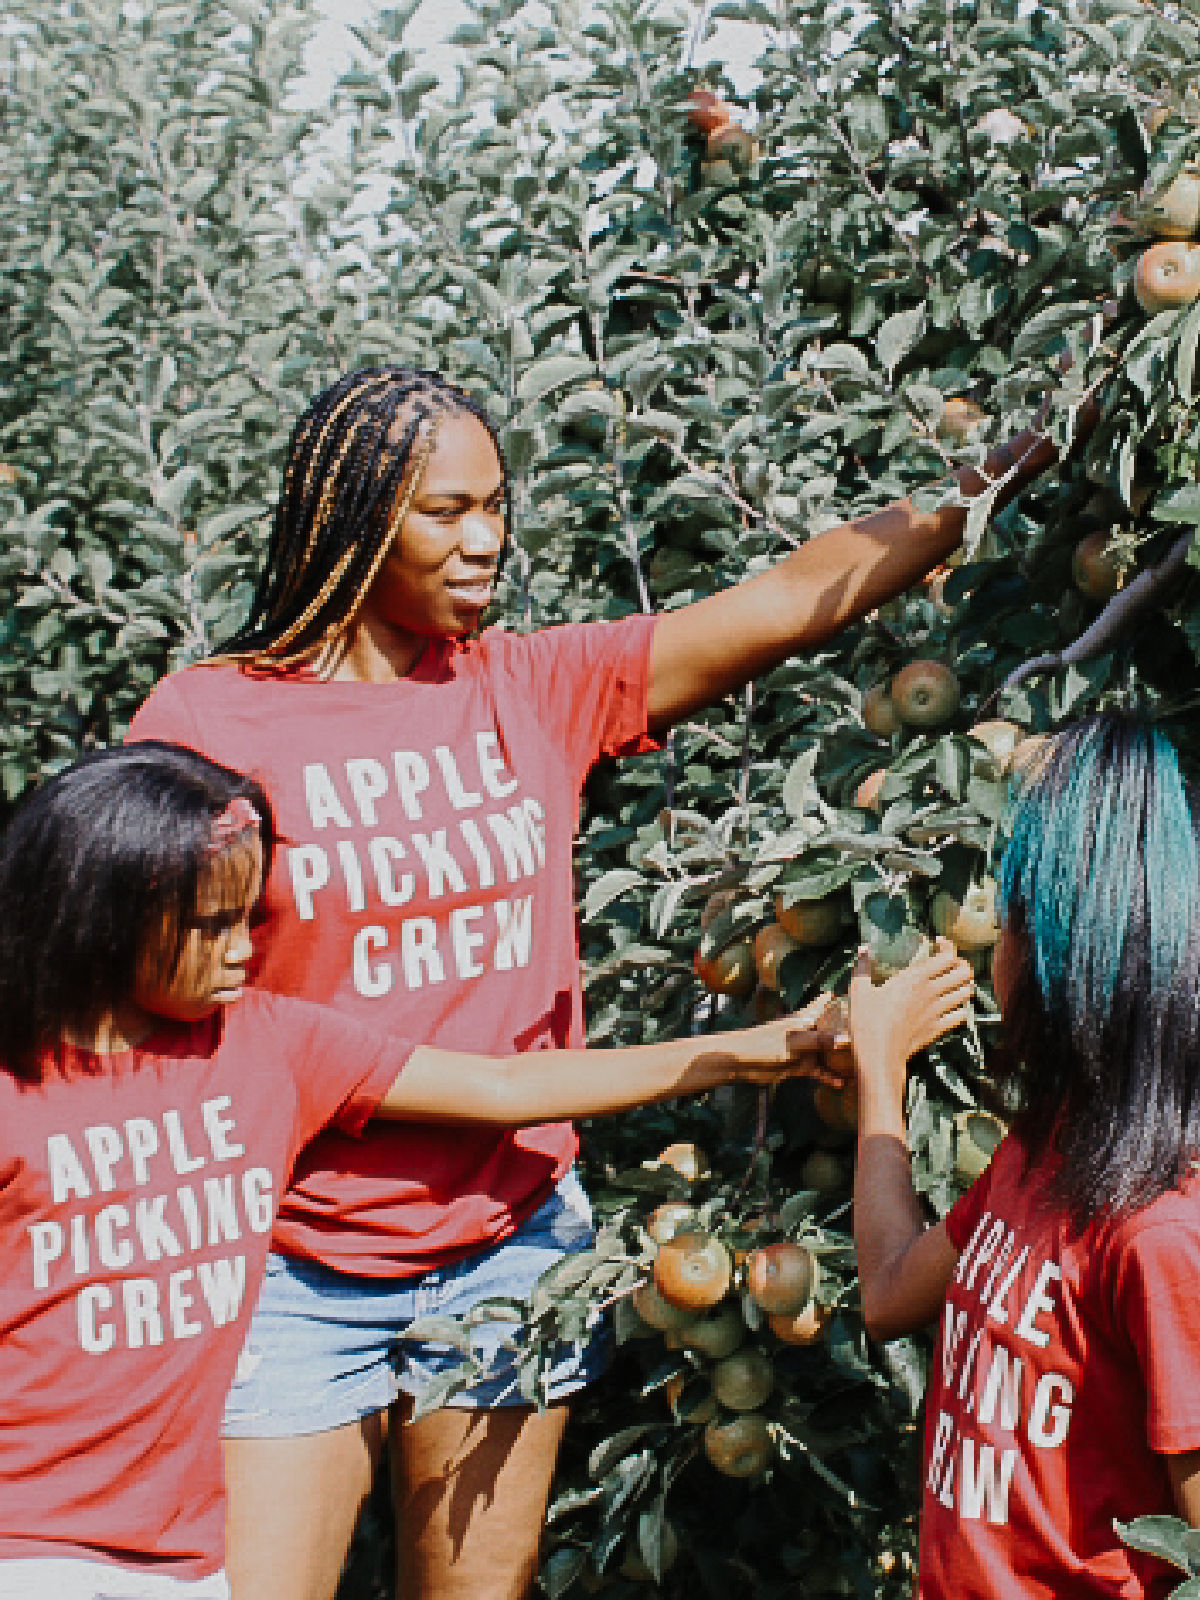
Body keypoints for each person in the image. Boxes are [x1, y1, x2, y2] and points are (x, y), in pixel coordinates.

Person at [126, 364, 1070, 1600]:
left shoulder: (526, 688)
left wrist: (1011, 462)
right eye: (446, 512)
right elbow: (160, 1009)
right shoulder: (210, 723)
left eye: (498, 506)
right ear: (351, 522)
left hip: (509, 1243)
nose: (487, 542)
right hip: (295, 1259)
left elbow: (790, 600)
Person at [0, 737, 949, 1600]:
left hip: (181, 1553)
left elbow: (505, 1086)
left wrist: (768, 1046)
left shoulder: (263, 1044)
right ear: (101, 913)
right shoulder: (16, 1091)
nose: (248, 949)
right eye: (212, 925)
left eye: (250, 917)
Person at [850, 714, 1200, 1599]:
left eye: (1009, 919)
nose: (993, 951)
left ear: (1056, 953)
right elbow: (890, 1294)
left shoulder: (1164, 1235)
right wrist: (879, 1071)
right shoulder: (1044, 1150)